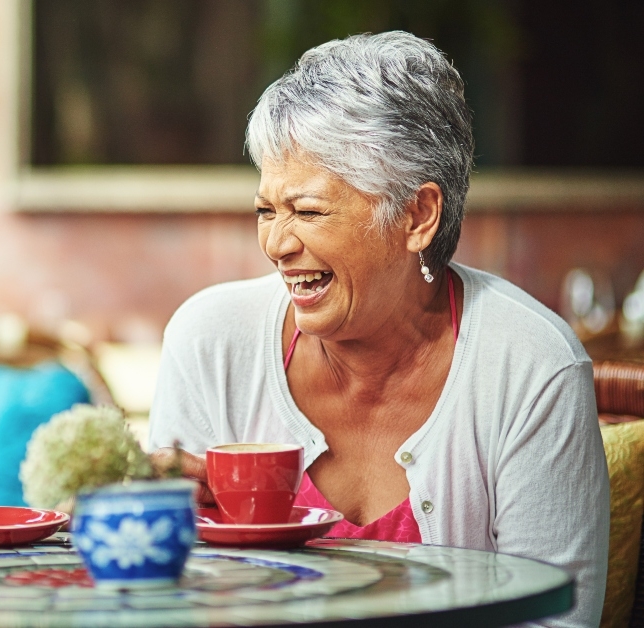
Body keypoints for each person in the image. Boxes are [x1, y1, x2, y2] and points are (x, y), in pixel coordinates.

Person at [148, 31, 608, 627]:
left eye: (309, 212)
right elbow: (166, 603)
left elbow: (555, 619)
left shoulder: (532, 366)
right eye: (267, 210)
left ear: (417, 216)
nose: (277, 244)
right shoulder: (210, 341)